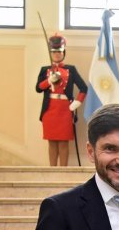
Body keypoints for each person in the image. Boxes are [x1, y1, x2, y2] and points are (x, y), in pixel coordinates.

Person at [35, 33, 87, 167]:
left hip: (65, 110)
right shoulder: (45, 70)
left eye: (59, 51)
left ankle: (64, 171)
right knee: (52, 142)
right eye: (54, 52)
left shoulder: (71, 69)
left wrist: (77, 102)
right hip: (49, 110)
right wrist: (48, 81)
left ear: (64, 52)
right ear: (50, 53)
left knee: (64, 143)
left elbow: (84, 88)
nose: (57, 54)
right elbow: (38, 88)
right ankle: (51, 171)